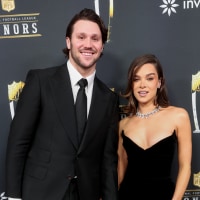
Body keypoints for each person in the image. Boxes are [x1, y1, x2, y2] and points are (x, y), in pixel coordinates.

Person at [5, 8, 119, 200]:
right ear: (69, 42)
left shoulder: (108, 99)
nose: (88, 44)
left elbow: (108, 162)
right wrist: (14, 196)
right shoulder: (41, 81)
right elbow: (18, 142)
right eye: (81, 37)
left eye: (95, 38)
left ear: (102, 46)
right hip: (41, 192)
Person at [117, 54, 192, 200]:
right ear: (131, 84)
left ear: (159, 82)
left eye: (149, 78)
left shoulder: (178, 116)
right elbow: (120, 170)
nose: (142, 85)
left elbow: (185, 168)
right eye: (136, 79)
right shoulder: (123, 125)